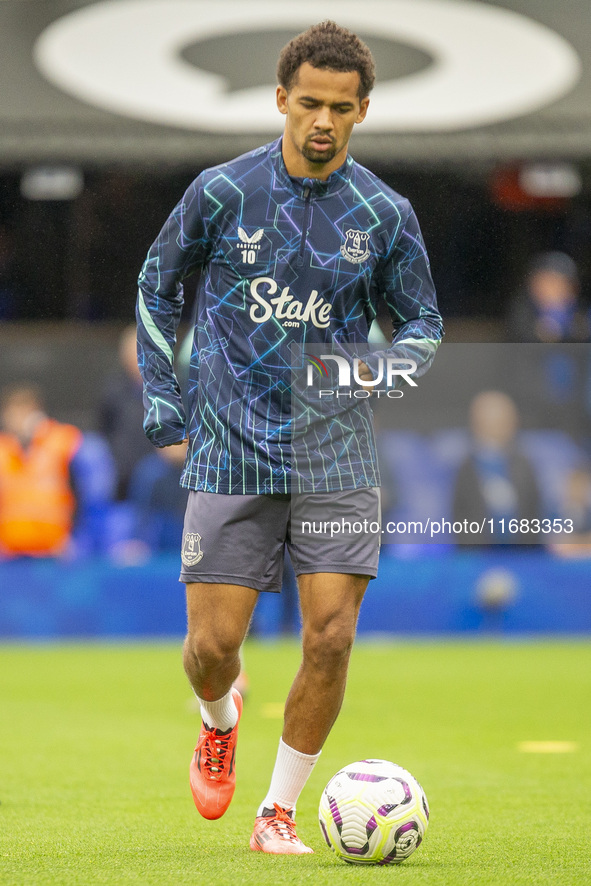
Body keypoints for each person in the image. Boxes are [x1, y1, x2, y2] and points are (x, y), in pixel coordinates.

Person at [136, 21, 442, 855]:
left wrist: (364, 377)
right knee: (211, 647)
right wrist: (165, 402)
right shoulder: (221, 192)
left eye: (340, 108)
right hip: (231, 445)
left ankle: (276, 813)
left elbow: (420, 324)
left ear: (362, 111)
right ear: (280, 99)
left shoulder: (384, 213)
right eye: (308, 102)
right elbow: (158, 286)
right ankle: (218, 715)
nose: (322, 121)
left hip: (334, 451)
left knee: (331, 634)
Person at [0, 384, 82, 558]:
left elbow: (83, 492)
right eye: (12, 413)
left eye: (22, 412)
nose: (16, 419)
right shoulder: (3, 451)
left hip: (55, 549)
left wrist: (77, 538)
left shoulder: (62, 442)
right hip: (10, 552)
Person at [452, 391, 541, 546]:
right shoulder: (467, 468)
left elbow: (533, 510)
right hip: (479, 555)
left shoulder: (524, 465)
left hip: (521, 555)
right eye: (494, 421)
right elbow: (460, 515)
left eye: (505, 420)